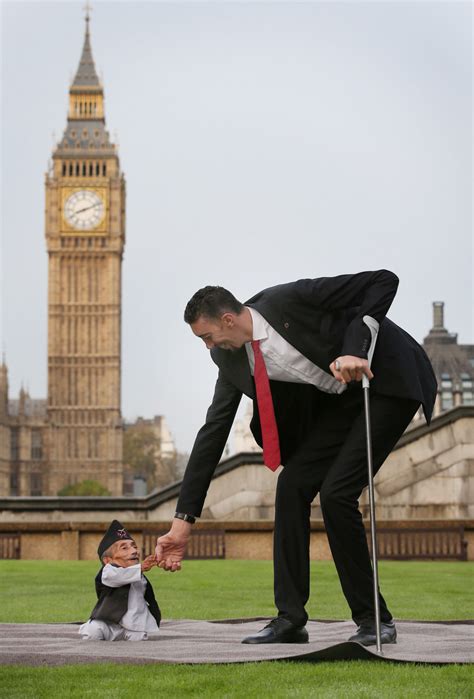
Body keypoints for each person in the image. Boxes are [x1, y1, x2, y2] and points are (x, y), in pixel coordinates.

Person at [155, 270, 437, 646]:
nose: (208, 347)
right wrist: (182, 522)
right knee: (291, 485)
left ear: (228, 319)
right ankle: (290, 619)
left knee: (337, 495)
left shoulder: (288, 300)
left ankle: (374, 620)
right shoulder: (230, 361)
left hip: (386, 382)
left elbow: (383, 281)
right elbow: (212, 433)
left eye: (207, 337)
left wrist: (356, 347)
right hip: (341, 402)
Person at [79, 519, 161, 641]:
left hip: (133, 626)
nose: (134, 551)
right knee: (93, 631)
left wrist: (155, 616)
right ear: (108, 560)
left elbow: (150, 599)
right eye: (124, 548)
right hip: (108, 622)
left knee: (140, 640)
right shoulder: (108, 572)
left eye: (134, 547)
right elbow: (118, 577)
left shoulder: (141, 577)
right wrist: (141, 568)